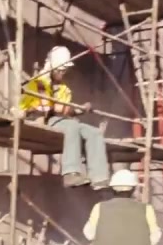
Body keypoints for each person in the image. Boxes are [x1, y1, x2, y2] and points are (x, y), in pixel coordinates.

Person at [20, 45, 110, 188]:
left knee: (95, 133)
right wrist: (54, 108)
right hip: (39, 118)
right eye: (60, 70)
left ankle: (99, 178)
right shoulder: (38, 82)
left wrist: (79, 110)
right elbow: (36, 107)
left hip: (58, 120)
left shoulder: (64, 89)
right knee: (72, 126)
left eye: (64, 70)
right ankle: (71, 173)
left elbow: (65, 110)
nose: (62, 73)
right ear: (52, 67)